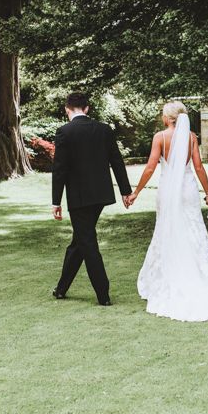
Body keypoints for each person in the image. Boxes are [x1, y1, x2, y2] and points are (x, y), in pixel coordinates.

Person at [126, 101, 208, 331]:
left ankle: (169, 279)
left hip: (167, 192)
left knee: (166, 230)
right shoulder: (191, 137)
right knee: (194, 232)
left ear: (168, 118)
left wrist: (135, 192)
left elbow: (151, 167)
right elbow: (199, 167)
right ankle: (198, 278)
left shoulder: (160, 138)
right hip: (188, 189)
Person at [51, 92, 132, 306]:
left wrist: (56, 201)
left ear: (67, 109)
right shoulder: (104, 130)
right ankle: (61, 288)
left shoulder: (64, 132)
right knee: (79, 241)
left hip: (79, 198)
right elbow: (117, 161)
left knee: (87, 243)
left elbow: (59, 169)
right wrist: (125, 191)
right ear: (86, 108)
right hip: (101, 195)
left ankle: (103, 294)